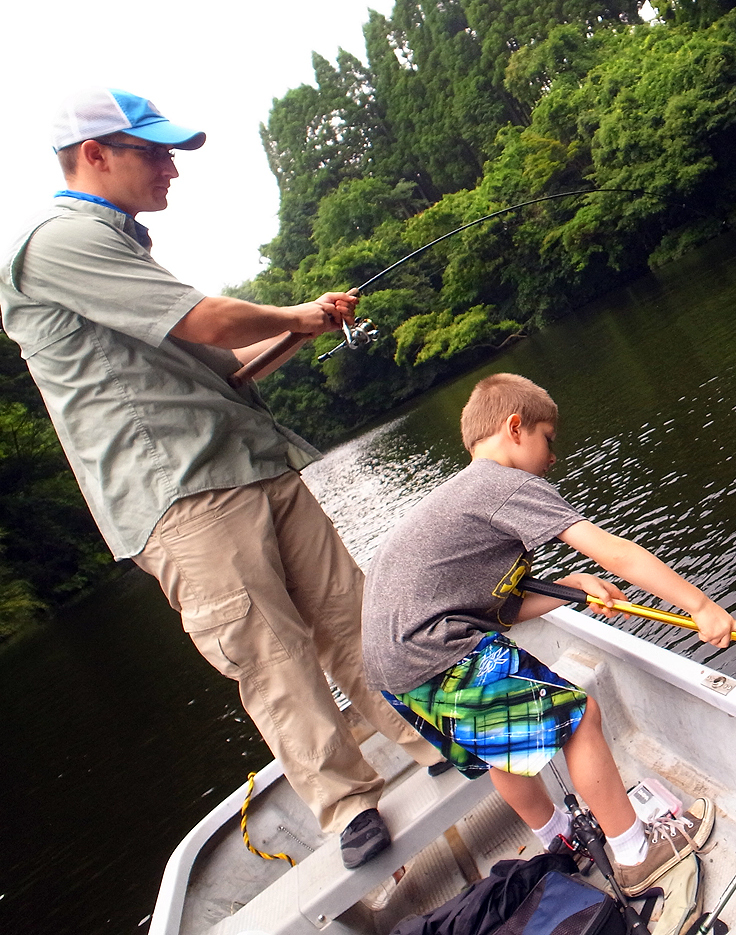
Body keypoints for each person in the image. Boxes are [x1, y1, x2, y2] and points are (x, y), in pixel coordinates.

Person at [0, 87, 443, 868]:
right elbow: (207, 321)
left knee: (352, 612)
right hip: (182, 499)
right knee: (273, 655)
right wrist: (294, 313)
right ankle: (347, 806)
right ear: (94, 155)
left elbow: (228, 367)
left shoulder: (123, 250)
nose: (171, 167)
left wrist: (308, 326)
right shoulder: (55, 243)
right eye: (154, 150)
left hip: (252, 462)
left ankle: (428, 732)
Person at [361, 373, 736, 893]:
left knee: (499, 753)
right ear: (515, 427)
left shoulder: (465, 497)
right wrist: (702, 606)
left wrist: (567, 589)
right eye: (548, 439)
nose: (553, 458)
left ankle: (560, 837)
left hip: (396, 670)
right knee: (581, 717)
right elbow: (613, 550)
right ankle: (635, 852)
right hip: (434, 650)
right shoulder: (502, 483)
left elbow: (495, 612)